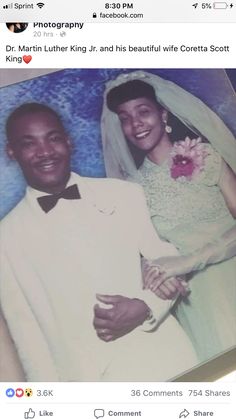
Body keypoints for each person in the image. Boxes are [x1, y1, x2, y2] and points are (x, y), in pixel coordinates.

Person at [0, 102, 197, 382]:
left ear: (68, 142)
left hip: (164, 360)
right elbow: (28, 340)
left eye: (53, 138)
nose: (45, 151)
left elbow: (169, 262)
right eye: (29, 143)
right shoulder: (5, 239)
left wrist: (144, 306)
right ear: (12, 152)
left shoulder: (124, 195)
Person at [102, 71, 236, 362]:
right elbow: (140, 253)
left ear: (163, 115)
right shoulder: (130, 189)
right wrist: (153, 273)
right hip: (197, 301)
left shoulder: (206, 156)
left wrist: (187, 261)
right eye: (125, 117)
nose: (135, 124)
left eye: (143, 112)